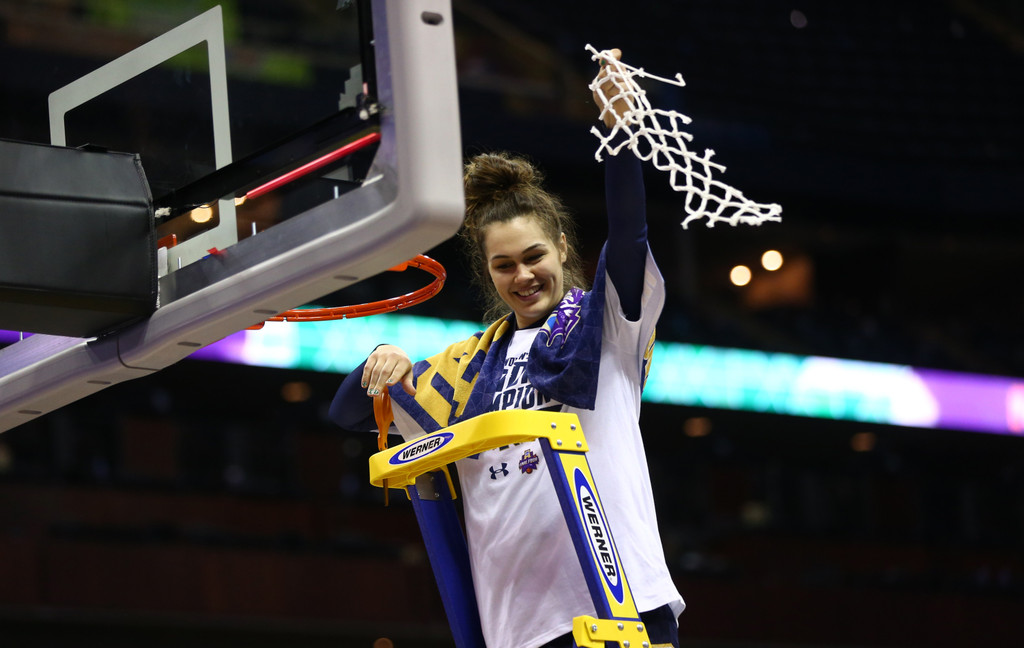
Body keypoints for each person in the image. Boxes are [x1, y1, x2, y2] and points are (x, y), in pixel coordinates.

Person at [330, 49, 683, 648]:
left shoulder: (607, 327)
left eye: (534, 257)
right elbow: (345, 412)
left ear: (563, 249)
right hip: (517, 628)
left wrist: (618, 135)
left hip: (624, 603)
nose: (522, 275)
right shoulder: (465, 366)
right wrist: (380, 357)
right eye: (504, 265)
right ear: (488, 273)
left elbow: (630, 236)